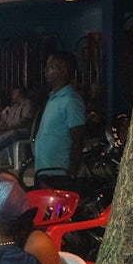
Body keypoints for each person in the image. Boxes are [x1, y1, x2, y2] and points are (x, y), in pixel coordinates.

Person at [34, 50, 87, 179]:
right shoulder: (53, 98)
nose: (45, 71)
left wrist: (71, 174)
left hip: (59, 173)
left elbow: (78, 140)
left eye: (50, 67)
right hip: (44, 168)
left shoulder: (71, 100)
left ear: (63, 70)